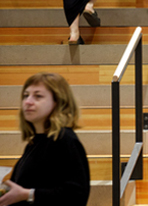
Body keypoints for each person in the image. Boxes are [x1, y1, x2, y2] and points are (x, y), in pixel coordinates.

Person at [0, 73, 90, 206]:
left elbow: (76, 194)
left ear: (58, 102)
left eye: (38, 96)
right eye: (26, 95)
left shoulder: (64, 140)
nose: (28, 102)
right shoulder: (35, 142)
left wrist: (28, 194)